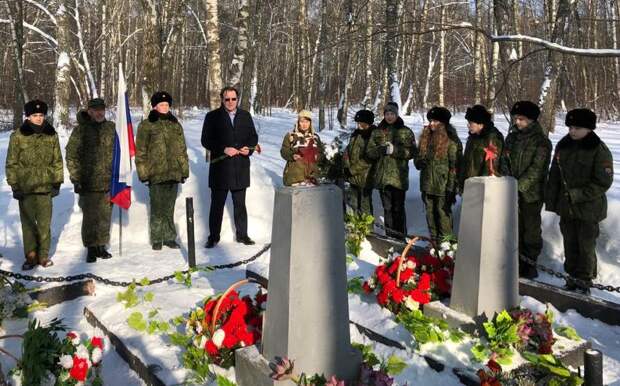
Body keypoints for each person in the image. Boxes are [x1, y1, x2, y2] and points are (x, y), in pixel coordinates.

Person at [545, 108, 613, 294]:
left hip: (589, 209)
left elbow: (603, 182)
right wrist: (552, 201)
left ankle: (584, 282)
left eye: (577, 128)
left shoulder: (598, 150)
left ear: (589, 129)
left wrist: (578, 194)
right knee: (570, 243)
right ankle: (571, 277)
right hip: (567, 208)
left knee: (586, 246)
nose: (572, 131)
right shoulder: (563, 146)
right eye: (570, 127)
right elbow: (554, 175)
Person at [5, 100, 63, 270]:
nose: (38, 118)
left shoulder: (51, 135)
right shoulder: (18, 136)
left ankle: (43, 256)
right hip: (26, 189)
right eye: (34, 115)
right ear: (28, 116)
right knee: (28, 226)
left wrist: (56, 182)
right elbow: (11, 163)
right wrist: (14, 185)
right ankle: (30, 256)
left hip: (45, 188)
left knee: (45, 225)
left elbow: (57, 160)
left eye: (41, 115)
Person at [201, 86, 258, 248]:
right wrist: (224, 148)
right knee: (217, 206)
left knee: (240, 205)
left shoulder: (245, 116)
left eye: (234, 99)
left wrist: (249, 148)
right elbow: (205, 140)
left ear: (237, 99)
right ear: (222, 99)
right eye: (227, 99)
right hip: (220, 170)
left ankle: (243, 235)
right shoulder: (212, 117)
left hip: (240, 168)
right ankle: (213, 237)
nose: (231, 102)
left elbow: (253, 137)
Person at [502, 101, 552, 279]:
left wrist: (518, 186)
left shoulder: (542, 142)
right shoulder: (512, 138)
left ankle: (530, 264)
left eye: (521, 119)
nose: (517, 122)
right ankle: (515, 262)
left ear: (531, 120)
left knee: (530, 230)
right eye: (516, 118)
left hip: (531, 194)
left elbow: (537, 169)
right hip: (511, 190)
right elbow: (504, 160)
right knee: (514, 227)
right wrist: (508, 181)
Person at [135, 91, 189, 250]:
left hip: (173, 172)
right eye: (161, 105)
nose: (165, 107)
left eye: (167, 105)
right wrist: (143, 173)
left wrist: (184, 170)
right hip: (156, 173)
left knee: (169, 207)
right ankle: (157, 238)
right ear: (155, 106)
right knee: (157, 207)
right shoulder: (146, 125)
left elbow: (182, 149)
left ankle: (169, 237)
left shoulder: (175, 124)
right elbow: (141, 151)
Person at [66, 98, 116, 263]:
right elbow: (72, 155)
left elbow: (121, 151)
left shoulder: (111, 128)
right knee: (90, 217)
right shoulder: (81, 131)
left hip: (109, 181)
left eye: (102, 109)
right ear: (89, 111)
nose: (100, 112)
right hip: (88, 181)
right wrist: (76, 178)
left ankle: (101, 245)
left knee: (105, 216)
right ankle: (91, 247)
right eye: (96, 110)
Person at [366, 102, 416, 239]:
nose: (389, 117)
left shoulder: (405, 131)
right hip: (383, 178)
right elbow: (369, 152)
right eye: (387, 114)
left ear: (396, 114)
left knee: (398, 209)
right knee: (387, 209)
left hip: (398, 178)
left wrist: (395, 151)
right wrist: (379, 150)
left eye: (392, 114)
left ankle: (400, 237)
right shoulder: (378, 131)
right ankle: (390, 237)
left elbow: (412, 152)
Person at [414, 107, 459, 243]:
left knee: (443, 219)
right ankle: (434, 247)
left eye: (435, 121)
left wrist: (451, 188)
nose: (431, 124)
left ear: (443, 123)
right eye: (430, 121)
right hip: (427, 186)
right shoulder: (425, 138)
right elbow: (417, 163)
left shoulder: (451, 140)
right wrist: (422, 159)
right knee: (431, 218)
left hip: (443, 188)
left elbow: (455, 166)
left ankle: (447, 249)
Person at [460, 104, 504, 191]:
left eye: (471, 123)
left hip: (484, 189)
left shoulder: (492, 138)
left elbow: (491, 167)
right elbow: (466, 162)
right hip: (470, 186)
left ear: (481, 124)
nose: (468, 126)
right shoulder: (473, 137)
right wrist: (462, 183)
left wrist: (481, 188)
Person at [343, 109, 377, 215]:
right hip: (353, 178)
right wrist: (346, 165)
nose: (358, 125)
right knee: (353, 205)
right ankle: (356, 228)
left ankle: (368, 231)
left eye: (361, 123)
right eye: (357, 123)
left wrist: (352, 170)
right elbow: (348, 151)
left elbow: (369, 158)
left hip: (365, 178)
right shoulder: (355, 135)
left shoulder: (372, 136)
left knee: (364, 206)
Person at [280, 110, 324, 187]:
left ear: (310, 123)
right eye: (302, 121)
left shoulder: (315, 137)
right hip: (294, 178)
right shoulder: (291, 136)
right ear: (298, 122)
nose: (304, 124)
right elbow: (284, 151)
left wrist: (317, 156)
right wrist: (292, 156)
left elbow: (321, 154)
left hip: (312, 178)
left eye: (307, 122)